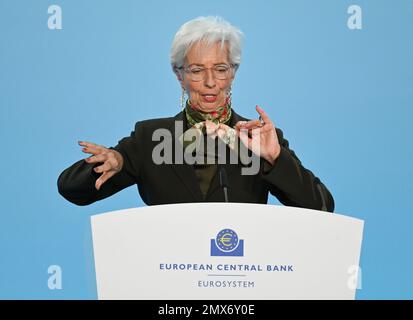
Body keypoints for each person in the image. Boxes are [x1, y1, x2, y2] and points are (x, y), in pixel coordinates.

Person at [57, 16, 334, 212]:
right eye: (197, 70)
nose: (211, 82)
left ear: (233, 73)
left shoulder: (259, 138)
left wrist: (275, 159)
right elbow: (72, 191)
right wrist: (114, 160)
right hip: (169, 278)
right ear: (180, 76)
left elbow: (321, 208)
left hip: (240, 278)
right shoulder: (149, 138)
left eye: (221, 69)